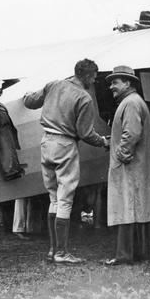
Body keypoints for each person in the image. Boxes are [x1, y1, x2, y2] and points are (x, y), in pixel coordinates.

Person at [23, 58, 108, 264]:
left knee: (53, 198)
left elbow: (29, 101)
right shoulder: (84, 98)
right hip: (65, 145)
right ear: (87, 75)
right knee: (65, 199)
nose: (95, 81)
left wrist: (25, 93)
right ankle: (61, 252)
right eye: (94, 77)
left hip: (46, 143)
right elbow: (85, 133)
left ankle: (53, 250)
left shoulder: (53, 85)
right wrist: (103, 141)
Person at [104, 66, 150, 265]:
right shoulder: (133, 101)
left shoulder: (130, 103)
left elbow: (131, 134)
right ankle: (140, 254)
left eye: (115, 82)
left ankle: (125, 255)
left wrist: (120, 156)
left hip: (130, 165)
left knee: (127, 208)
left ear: (128, 83)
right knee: (139, 209)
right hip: (137, 165)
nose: (111, 86)